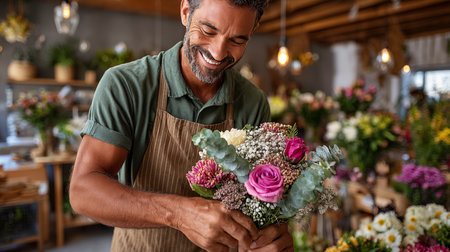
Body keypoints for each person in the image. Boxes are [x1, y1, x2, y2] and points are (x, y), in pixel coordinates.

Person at [69, 0, 294, 251]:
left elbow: (258, 206)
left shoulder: (253, 103)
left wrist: (271, 238)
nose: (218, 53)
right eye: (208, 31)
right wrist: (179, 213)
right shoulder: (126, 85)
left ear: (252, 32)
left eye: (237, 40)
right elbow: (83, 191)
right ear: (186, 11)